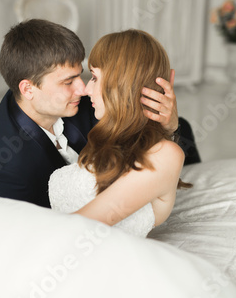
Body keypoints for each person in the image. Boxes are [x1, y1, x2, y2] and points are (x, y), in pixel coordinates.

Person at [0, 19, 200, 208]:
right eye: (68, 82)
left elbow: (135, 133)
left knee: (183, 127)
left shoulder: (81, 103)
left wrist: (169, 126)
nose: (83, 89)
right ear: (27, 89)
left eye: (81, 75)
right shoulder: (5, 163)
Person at [49, 29, 191, 237]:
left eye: (95, 77)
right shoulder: (106, 137)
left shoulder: (166, 155)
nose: (87, 90)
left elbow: (82, 225)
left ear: (122, 84)